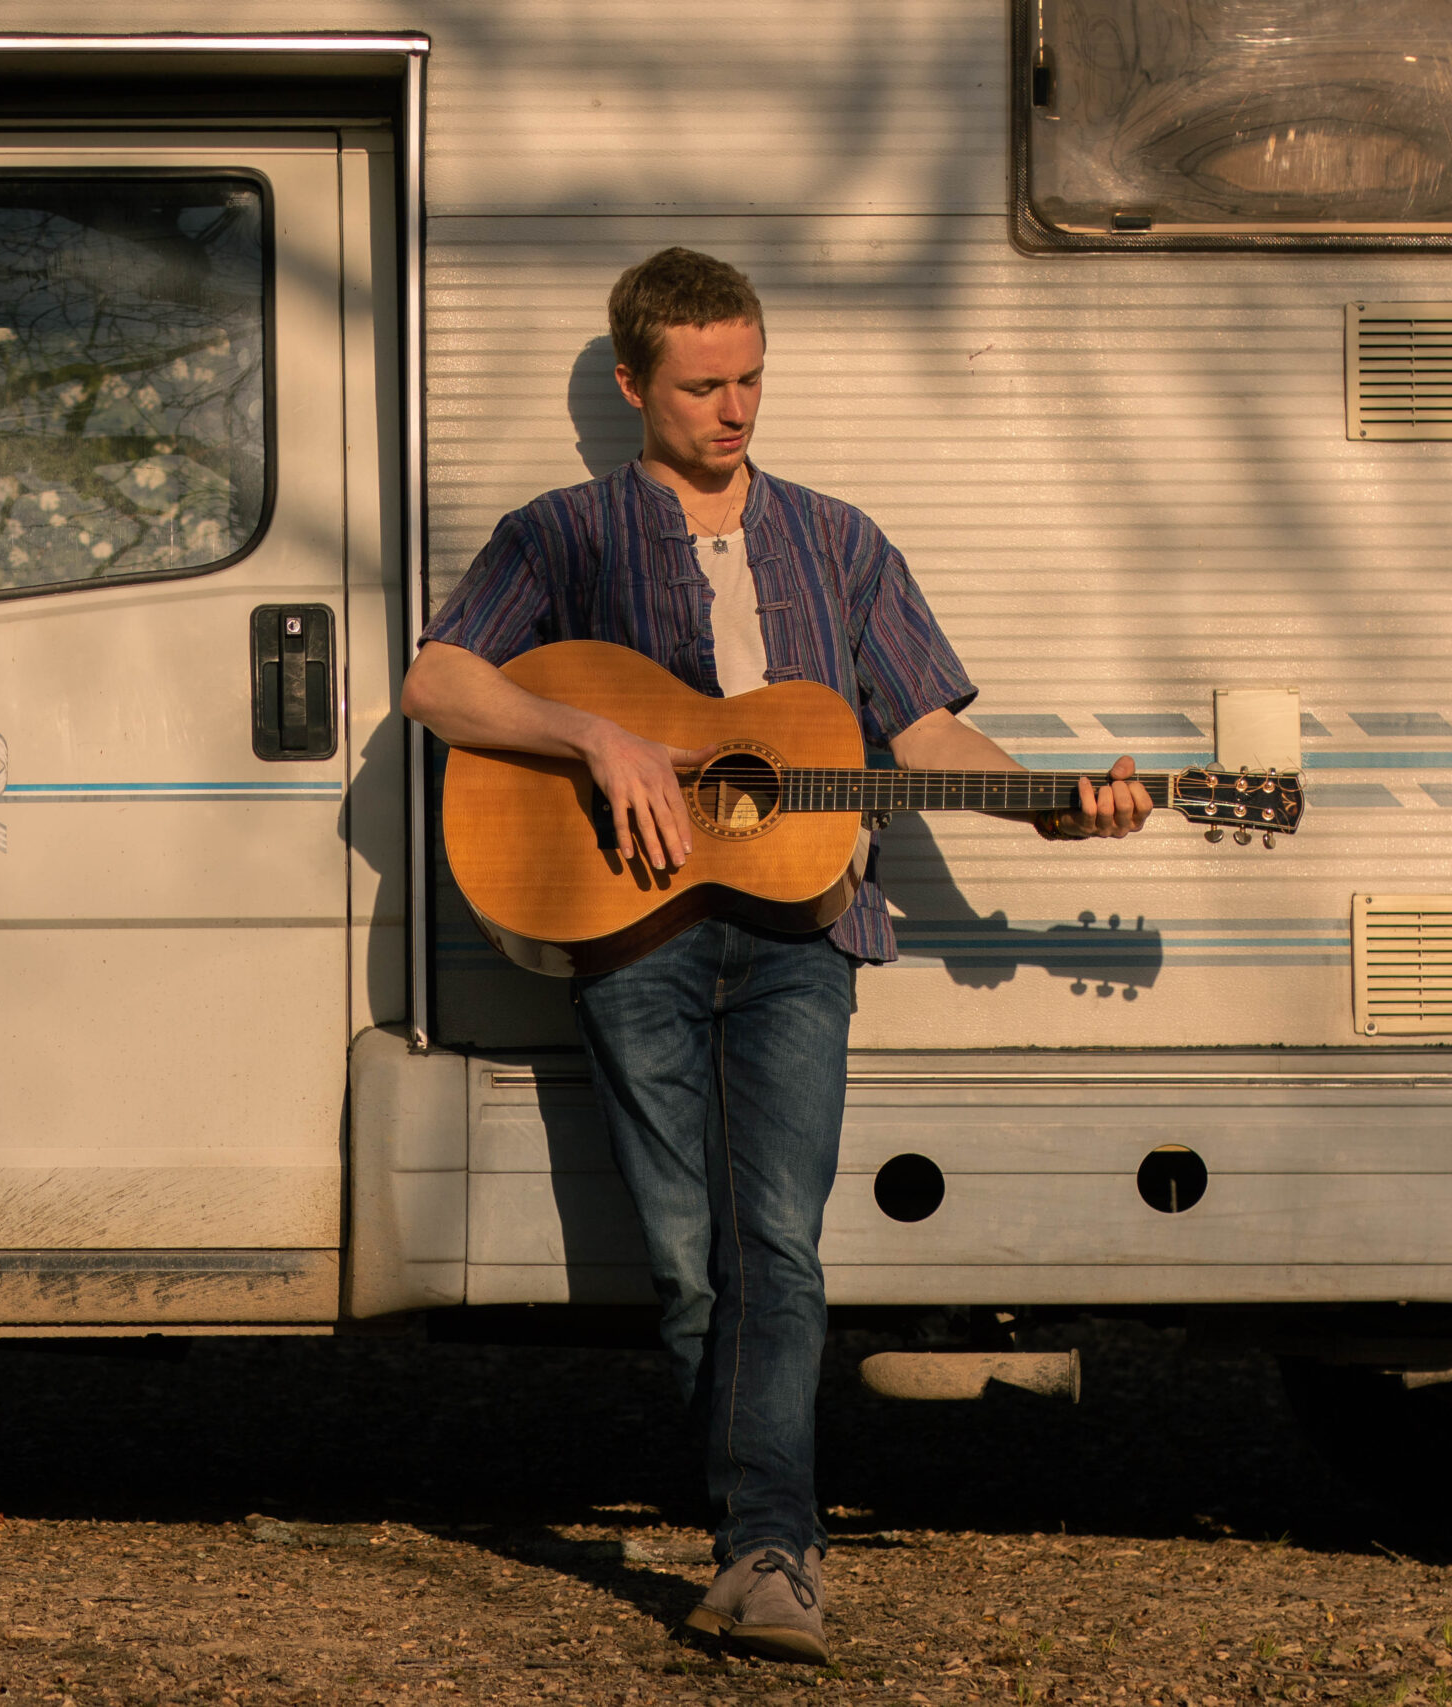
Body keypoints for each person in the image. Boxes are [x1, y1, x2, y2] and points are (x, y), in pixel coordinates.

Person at [399, 247, 1152, 1665]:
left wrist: (1049, 802)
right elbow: (438, 679)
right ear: (635, 385)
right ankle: (758, 1515)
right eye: (703, 386)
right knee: (691, 1264)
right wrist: (596, 735)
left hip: (806, 936)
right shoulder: (563, 535)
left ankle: (769, 1552)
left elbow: (923, 734)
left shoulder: (838, 540)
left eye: (751, 379)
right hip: (637, 931)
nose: (736, 410)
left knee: (778, 1246)